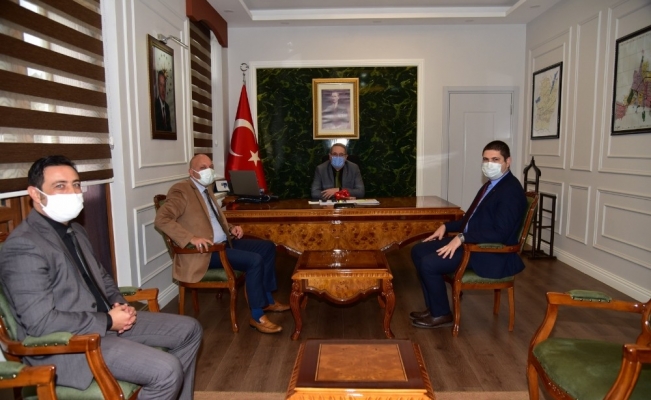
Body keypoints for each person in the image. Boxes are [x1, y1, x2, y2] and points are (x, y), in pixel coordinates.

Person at [0, 156, 202, 400]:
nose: (72, 192)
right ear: (35, 193)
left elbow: (101, 277)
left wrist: (120, 304)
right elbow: (41, 323)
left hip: (104, 324)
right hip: (69, 345)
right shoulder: (24, 245)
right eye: (60, 186)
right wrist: (107, 320)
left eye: (76, 184)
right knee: (166, 371)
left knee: (190, 329)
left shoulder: (75, 230)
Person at [155, 154, 289, 334]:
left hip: (224, 243)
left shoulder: (206, 189)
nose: (208, 171)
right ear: (191, 172)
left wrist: (232, 228)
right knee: (254, 260)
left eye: (210, 166)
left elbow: (212, 220)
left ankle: (267, 300)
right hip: (205, 252)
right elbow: (162, 219)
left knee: (267, 247)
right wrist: (191, 238)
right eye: (203, 168)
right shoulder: (181, 190)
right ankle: (257, 316)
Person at [410, 140, 527, 328]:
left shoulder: (510, 191)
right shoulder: (491, 185)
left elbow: (501, 233)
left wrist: (462, 237)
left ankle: (442, 314)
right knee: (418, 251)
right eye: (486, 159)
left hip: (488, 252)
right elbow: (471, 219)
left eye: (495, 159)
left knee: (429, 263)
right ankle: (434, 307)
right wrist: (446, 227)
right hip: (473, 243)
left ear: (508, 161)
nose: (489, 164)